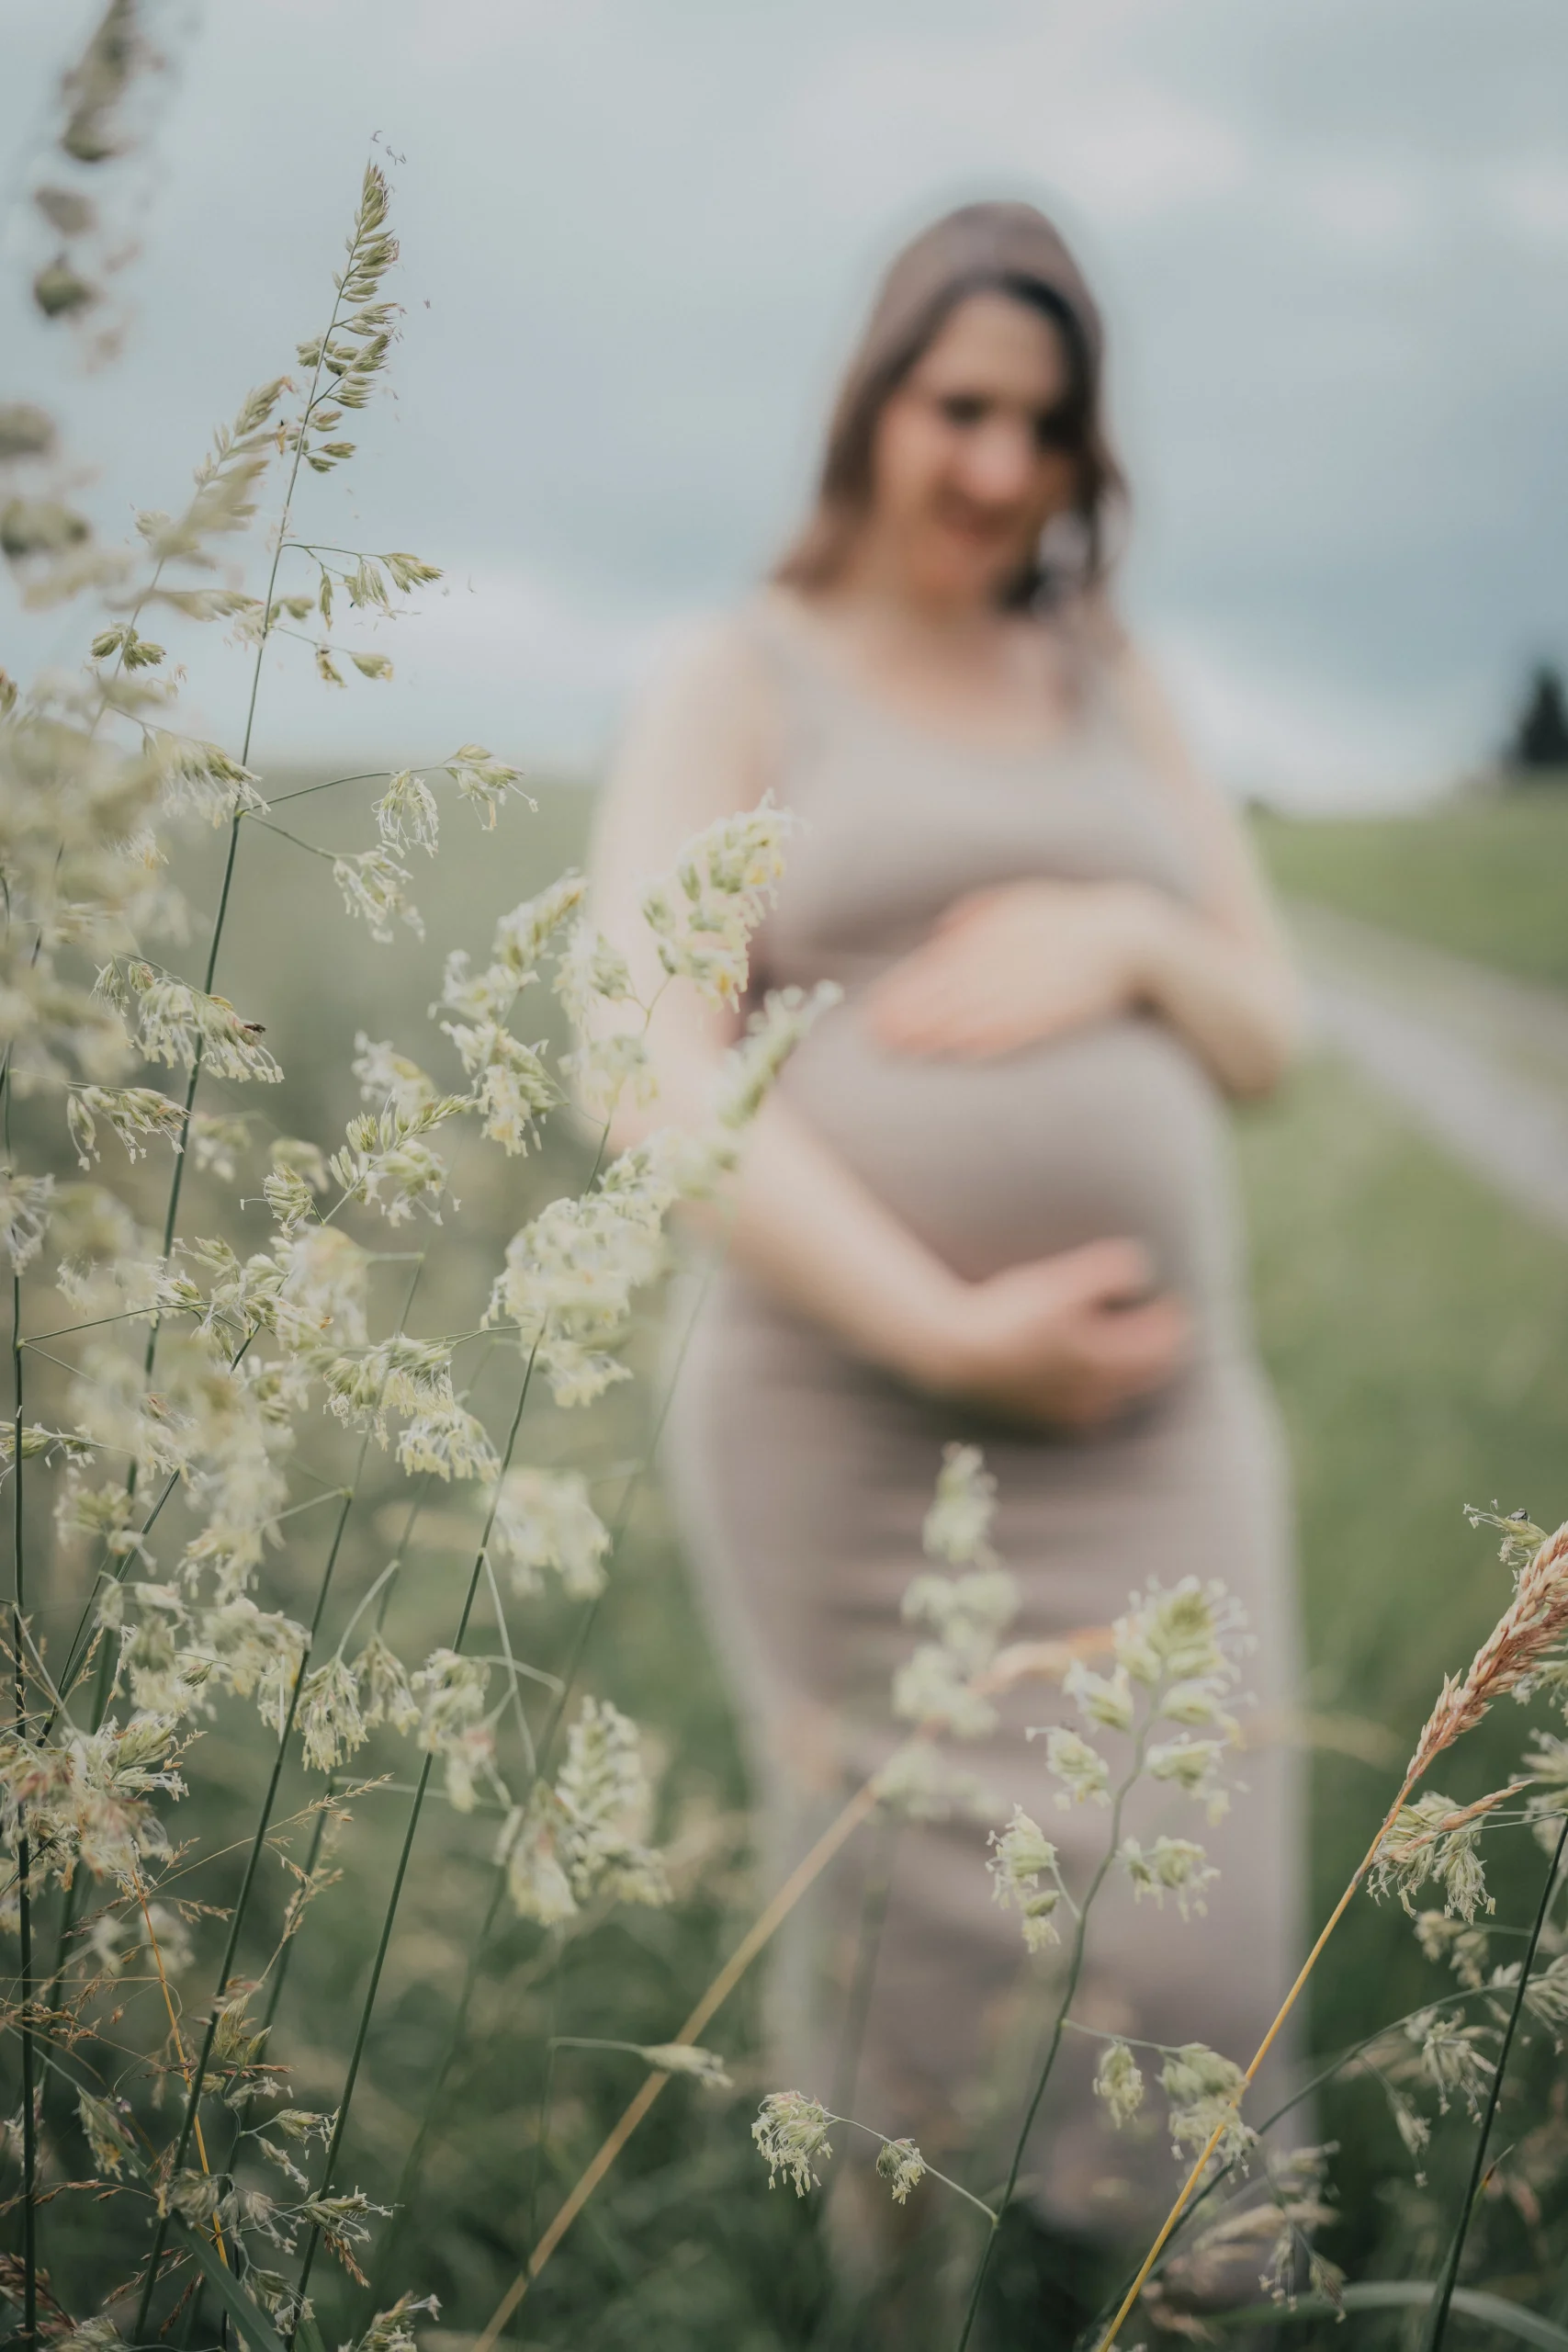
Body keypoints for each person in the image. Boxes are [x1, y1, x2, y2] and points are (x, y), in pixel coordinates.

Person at [587, 199, 1306, 2339]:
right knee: (898, 1934)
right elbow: (647, 1066)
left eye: (1044, 422)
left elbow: (1265, 1031)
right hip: (853, 1413)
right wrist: (947, 1326)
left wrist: (1131, 935)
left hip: (1160, 1429)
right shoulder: (743, 671)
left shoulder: (1109, 675)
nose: (998, 463)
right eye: (957, 404)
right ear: (873, 400)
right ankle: (899, 2318)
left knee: (1195, 1925)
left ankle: (1190, 2303)